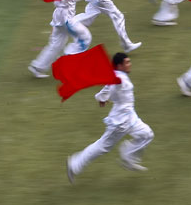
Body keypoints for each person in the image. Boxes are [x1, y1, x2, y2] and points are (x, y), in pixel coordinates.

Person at [66, 53, 153, 182]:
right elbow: (111, 85)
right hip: (120, 122)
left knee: (147, 135)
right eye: (127, 62)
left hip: (131, 117)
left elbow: (108, 86)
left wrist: (101, 98)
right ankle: (75, 164)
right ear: (120, 66)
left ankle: (128, 156)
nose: (130, 64)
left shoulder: (117, 76)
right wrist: (102, 96)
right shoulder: (119, 78)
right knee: (103, 146)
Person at [28, 0, 94, 78]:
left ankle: (38, 67)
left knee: (56, 44)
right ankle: (68, 62)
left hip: (59, 16)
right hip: (66, 18)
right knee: (85, 38)